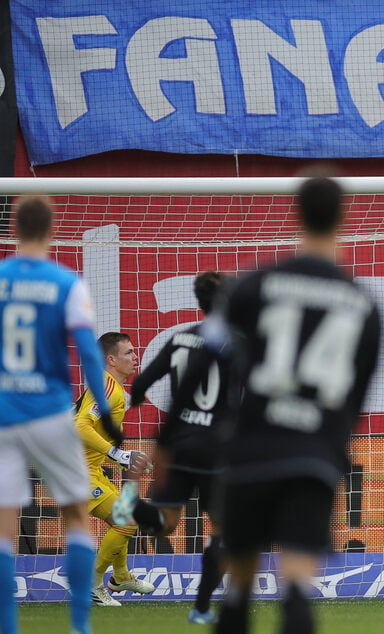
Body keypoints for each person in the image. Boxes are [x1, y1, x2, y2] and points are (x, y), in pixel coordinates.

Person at [205, 176, 381, 634]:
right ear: (343, 217)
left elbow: (214, 359)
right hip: (312, 458)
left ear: (295, 212)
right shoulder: (363, 304)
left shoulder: (257, 283)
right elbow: (354, 398)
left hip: (254, 449)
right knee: (298, 586)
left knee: (239, 589)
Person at [0, 195, 123, 634]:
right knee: (75, 516)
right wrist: (106, 415)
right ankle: (79, 623)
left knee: (4, 528)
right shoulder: (66, 283)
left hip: (5, 414)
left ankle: (7, 626)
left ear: (13, 226)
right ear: (51, 230)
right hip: (51, 414)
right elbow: (90, 355)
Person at [111, 271, 228, 625]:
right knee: (223, 531)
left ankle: (127, 500)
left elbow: (143, 380)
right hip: (215, 449)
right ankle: (202, 607)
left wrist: (136, 397)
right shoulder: (237, 343)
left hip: (177, 444)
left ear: (200, 303)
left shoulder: (180, 339)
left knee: (165, 523)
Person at [74, 332, 154, 606]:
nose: (135, 357)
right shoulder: (108, 388)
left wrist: (127, 458)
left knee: (123, 515)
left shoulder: (110, 387)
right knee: (126, 521)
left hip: (91, 468)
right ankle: (91, 583)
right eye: (129, 352)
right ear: (111, 359)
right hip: (78, 472)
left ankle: (120, 577)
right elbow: (80, 426)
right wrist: (117, 454)